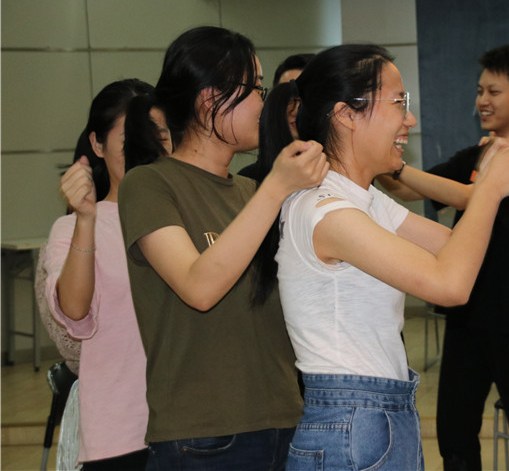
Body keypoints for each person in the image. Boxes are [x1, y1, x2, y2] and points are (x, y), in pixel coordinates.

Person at [255, 43, 509, 470]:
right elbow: (449, 285)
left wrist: (497, 178)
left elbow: (454, 246)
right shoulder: (326, 210)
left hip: (379, 414)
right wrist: (489, 188)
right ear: (346, 114)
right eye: (399, 103)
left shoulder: (362, 198)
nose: (410, 120)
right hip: (352, 421)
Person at [118, 26, 328, 470]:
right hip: (203, 436)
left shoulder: (252, 191)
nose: (263, 104)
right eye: (256, 88)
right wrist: (277, 188)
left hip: (285, 419)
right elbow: (199, 287)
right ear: (210, 98)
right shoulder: (149, 184)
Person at [379, 44, 509, 470]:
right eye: (479, 91)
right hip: (467, 315)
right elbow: (406, 189)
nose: (482, 101)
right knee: (455, 435)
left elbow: (471, 195)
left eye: (493, 91)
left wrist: (392, 164)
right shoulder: (475, 156)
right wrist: (379, 158)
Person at [43, 79, 169, 470]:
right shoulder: (73, 229)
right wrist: (86, 218)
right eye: (131, 140)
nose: (147, 149)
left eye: (159, 136)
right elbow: (74, 311)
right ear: (98, 145)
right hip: (120, 433)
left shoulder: (182, 219)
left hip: (191, 423)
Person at [240, 53, 315, 180]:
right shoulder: (250, 180)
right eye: (287, 97)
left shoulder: (339, 175)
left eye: (305, 96)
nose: (296, 109)